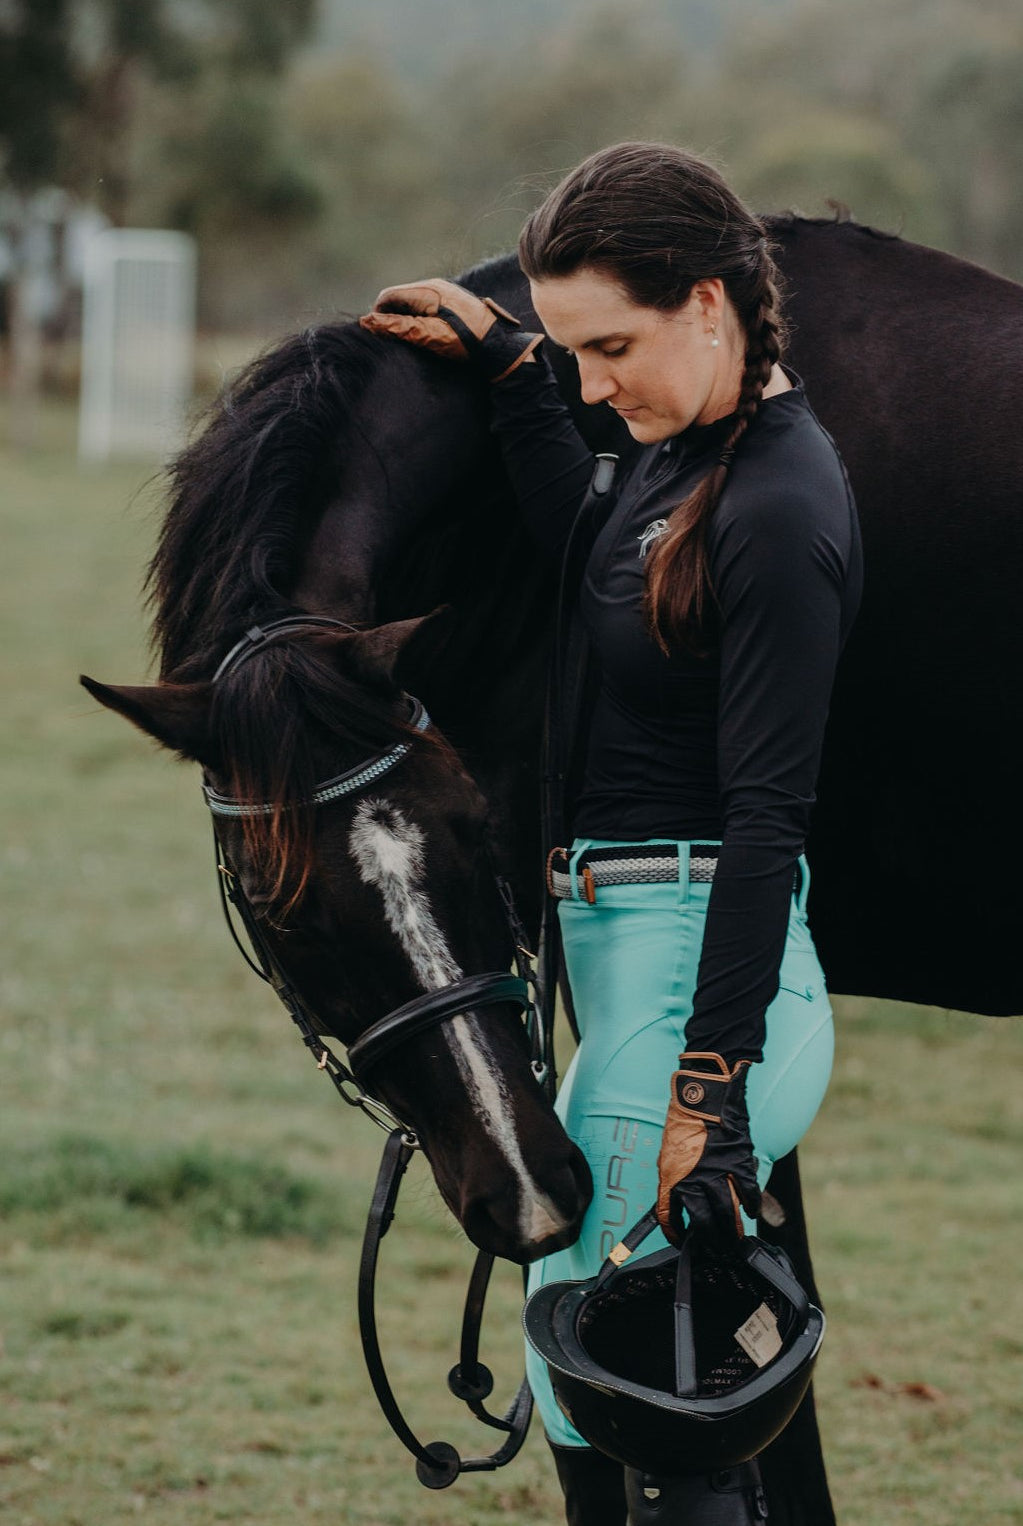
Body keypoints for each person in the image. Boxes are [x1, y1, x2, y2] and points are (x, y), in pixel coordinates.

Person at [360, 142, 862, 1525]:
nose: (595, 384)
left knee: (619, 1374)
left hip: (699, 973)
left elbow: (770, 817)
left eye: (608, 346)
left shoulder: (777, 504)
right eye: (573, 353)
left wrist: (712, 1090)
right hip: (632, 955)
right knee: (601, 1359)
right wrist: (515, 368)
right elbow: (592, 551)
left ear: (711, 303)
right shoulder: (678, 455)